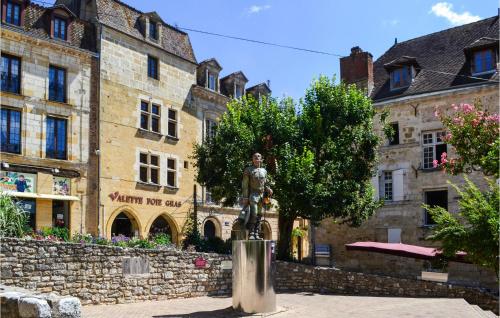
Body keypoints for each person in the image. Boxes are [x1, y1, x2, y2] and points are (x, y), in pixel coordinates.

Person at [239, 153, 272, 240]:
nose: (257, 158)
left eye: (258, 157)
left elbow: (266, 183)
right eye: (255, 157)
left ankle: (256, 233)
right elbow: (245, 184)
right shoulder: (248, 170)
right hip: (253, 195)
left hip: (261, 195)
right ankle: (251, 233)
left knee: (260, 214)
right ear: (252, 160)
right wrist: (245, 197)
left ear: (261, 159)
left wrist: (268, 189)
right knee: (254, 213)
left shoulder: (264, 171)